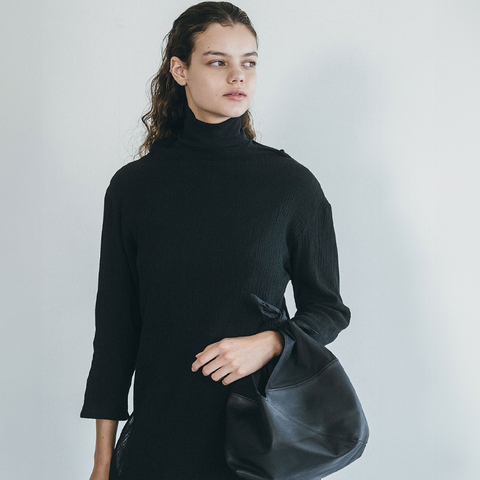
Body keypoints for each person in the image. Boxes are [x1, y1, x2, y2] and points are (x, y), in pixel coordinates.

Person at [80, 2, 351, 479]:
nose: (237, 76)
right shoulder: (134, 188)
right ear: (180, 70)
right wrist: (103, 462)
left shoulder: (290, 186)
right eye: (217, 61)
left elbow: (327, 309)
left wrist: (270, 342)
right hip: (157, 446)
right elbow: (115, 334)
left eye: (249, 62)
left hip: (254, 444)